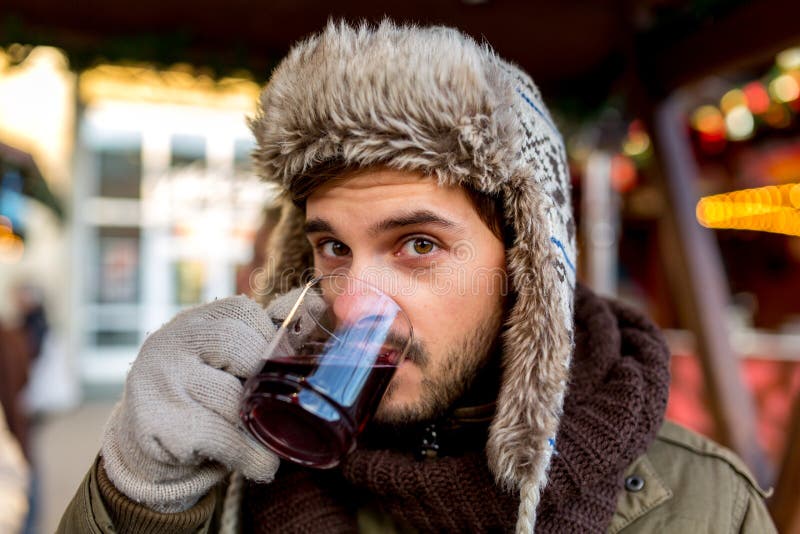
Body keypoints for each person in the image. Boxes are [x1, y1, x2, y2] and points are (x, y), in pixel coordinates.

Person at [59, 20, 776, 533]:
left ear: (526, 266)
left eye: (418, 244)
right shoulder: (229, 469)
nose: (356, 301)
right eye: (333, 249)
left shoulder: (704, 505)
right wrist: (137, 499)